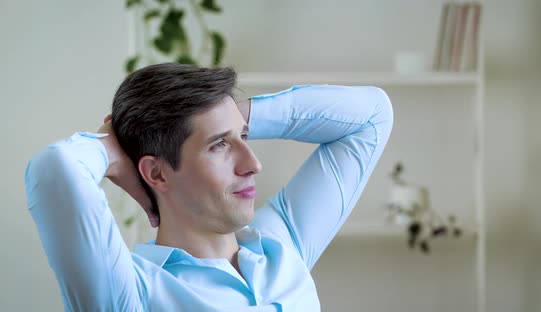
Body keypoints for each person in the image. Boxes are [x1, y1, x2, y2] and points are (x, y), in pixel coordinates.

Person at [25, 63, 393, 311]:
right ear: (157, 174)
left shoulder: (282, 246)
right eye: (219, 145)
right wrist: (111, 148)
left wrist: (232, 115)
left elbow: (372, 116)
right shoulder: (132, 292)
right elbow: (55, 170)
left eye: (244, 137)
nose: (253, 164)